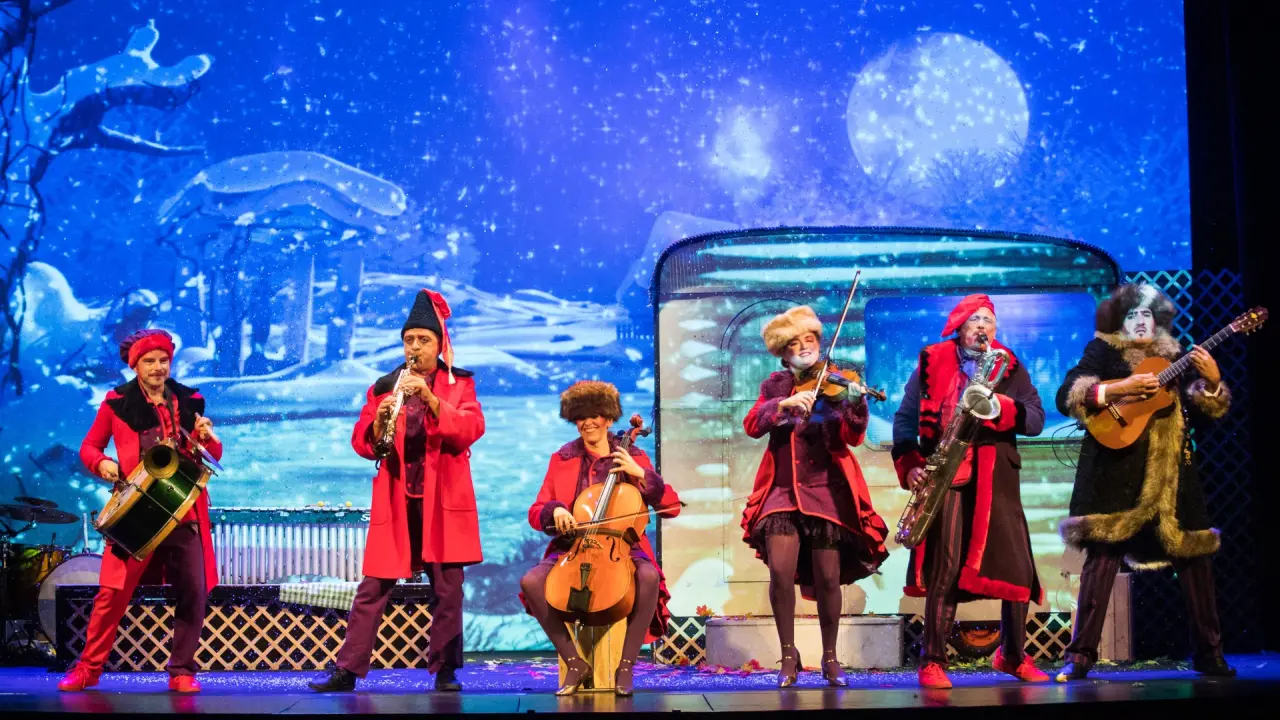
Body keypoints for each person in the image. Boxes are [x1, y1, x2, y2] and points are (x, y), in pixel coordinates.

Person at [1055, 283, 1235, 680]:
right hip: (1116, 476)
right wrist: (1120, 388)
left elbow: (1206, 417)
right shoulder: (1102, 351)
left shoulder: (1177, 359)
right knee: (1102, 561)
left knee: (1195, 560)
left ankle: (1210, 654)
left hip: (1172, 482)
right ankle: (1080, 656)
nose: (1139, 320)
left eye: (1147, 314)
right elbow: (1067, 393)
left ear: (1159, 323)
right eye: (1131, 314)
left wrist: (1212, 383)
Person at [309, 289, 485, 692]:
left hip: (442, 504)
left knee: (448, 589)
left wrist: (432, 400)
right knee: (373, 587)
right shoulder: (383, 387)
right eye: (409, 340)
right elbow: (362, 442)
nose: (415, 348)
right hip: (398, 500)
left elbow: (471, 428)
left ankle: (445, 670)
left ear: (439, 345)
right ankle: (347, 670)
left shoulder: (459, 384)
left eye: (423, 340)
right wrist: (378, 423)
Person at [891, 294, 1049, 689]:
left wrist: (1000, 407)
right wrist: (910, 464)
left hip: (997, 478)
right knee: (944, 568)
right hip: (948, 474)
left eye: (988, 321)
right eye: (974, 319)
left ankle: (1012, 655)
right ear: (960, 326)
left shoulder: (1009, 364)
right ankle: (932, 661)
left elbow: (1035, 419)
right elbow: (906, 419)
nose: (982, 326)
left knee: (1016, 566)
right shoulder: (932, 361)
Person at [59, 329, 221, 693]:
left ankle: (182, 670)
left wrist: (208, 440)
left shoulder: (189, 401)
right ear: (135, 365)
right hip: (135, 512)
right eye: (150, 361)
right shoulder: (117, 403)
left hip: (182, 509)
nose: (158, 367)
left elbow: (212, 456)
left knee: (194, 591)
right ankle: (88, 668)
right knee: (112, 594)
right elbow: (89, 447)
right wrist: (102, 464)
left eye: (163, 360)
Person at [739, 306, 891, 688]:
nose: (805, 347)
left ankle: (830, 657)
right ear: (783, 353)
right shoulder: (774, 386)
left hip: (827, 489)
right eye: (795, 343)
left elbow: (853, 438)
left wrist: (855, 403)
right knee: (779, 571)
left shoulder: (838, 381)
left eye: (810, 340)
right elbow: (752, 425)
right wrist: (782, 405)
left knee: (828, 578)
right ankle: (788, 655)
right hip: (782, 490)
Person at [519, 381, 682, 697]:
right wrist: (555, 511)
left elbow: (672, 507)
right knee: (531, 582)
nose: (588, 423)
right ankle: (575, 662)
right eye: (580, 417)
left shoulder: (631, 455)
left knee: (648, 576)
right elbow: (536, 510)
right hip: (573, 546)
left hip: (623, 547)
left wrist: (639, 473)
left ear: (608, 418)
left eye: (594, 415)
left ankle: (626, 666)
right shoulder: (562, 458)